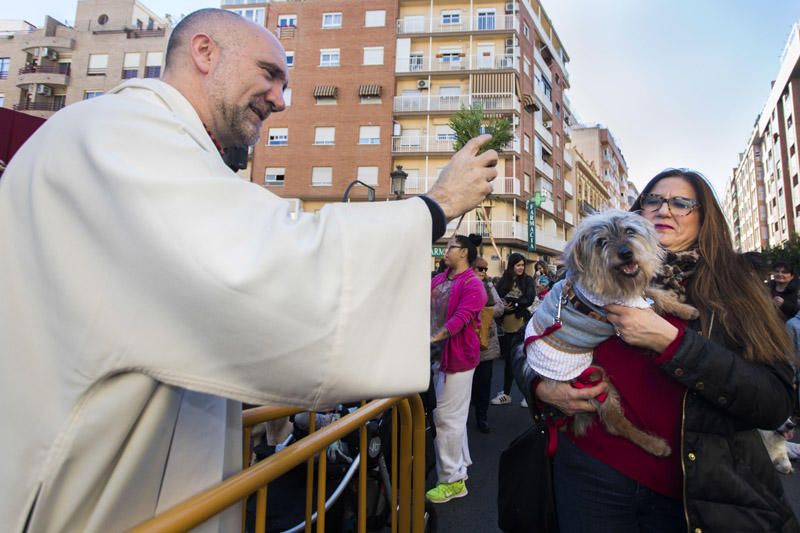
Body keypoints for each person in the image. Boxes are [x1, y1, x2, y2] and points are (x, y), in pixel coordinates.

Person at [0, 9, 500, 532]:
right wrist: (434, 206)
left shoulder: (152, 140)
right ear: (204, 52)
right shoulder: (123, 132)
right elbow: (260, 267)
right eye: (269, 74)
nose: (281, 100)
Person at [520, 169, 798, 532]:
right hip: (590, 470)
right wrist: (541, 388)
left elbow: (774, 401)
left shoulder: (738, 286)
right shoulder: (589, 275)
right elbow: (536, 341)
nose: (665, 210)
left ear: (705, 218)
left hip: (692, 486)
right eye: (654, 200)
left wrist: (674, 343)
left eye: (681, 203)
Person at [427, 234, 487, 503]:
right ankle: (459, 467)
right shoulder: (440, 279)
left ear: (464, 253)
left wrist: (433, 337)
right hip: (438, 357)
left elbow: (460, 319)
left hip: (459, 358)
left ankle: (451, 480)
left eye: (451, 246)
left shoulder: (474, 284)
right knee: (454, 416)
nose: (446, 249)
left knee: (446, 417)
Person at [491, 253, 536, 407]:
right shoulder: (504, 280)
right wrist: (504, 305)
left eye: (522, 265)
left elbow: (529, 298)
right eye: (518, 265)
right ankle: (506, 393)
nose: (521, 268)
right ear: (511, 266)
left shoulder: (528, 280)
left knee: (526, 361)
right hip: (506, 325)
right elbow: (496, 297)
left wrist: (515, 303)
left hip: (522, 323)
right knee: (509, 362)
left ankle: (528, 396)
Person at [469, 256, 504, 433]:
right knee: (468, 385)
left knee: (484, 384)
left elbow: (500, 307)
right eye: (479, 268)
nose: (483, 272)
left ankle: (482, 417)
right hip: (466, 344)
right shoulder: (463, 285)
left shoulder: (489, 286)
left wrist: (483, 312)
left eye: (485, 269)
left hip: (487, 342)